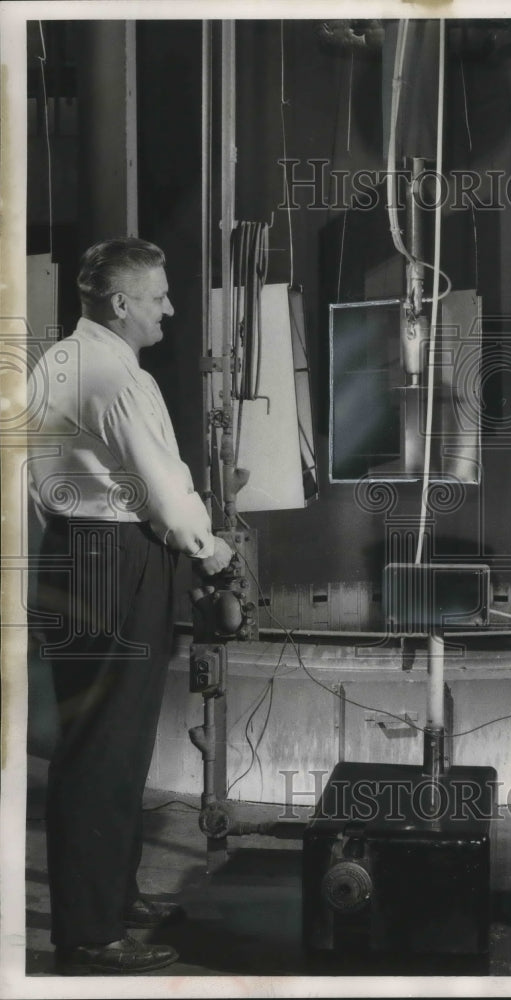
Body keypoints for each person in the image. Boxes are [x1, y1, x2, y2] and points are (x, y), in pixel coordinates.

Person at [28, 237, 233, 975]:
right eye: (158, 297)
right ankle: (89, 935)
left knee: (100, 743)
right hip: (116, 562)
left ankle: (110, 897)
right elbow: (168, 500)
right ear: (121, 304)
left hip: (69, 552)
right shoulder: (118, 379)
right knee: (105, 750)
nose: (170, 309)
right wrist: (215, 551)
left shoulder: (58, 361)